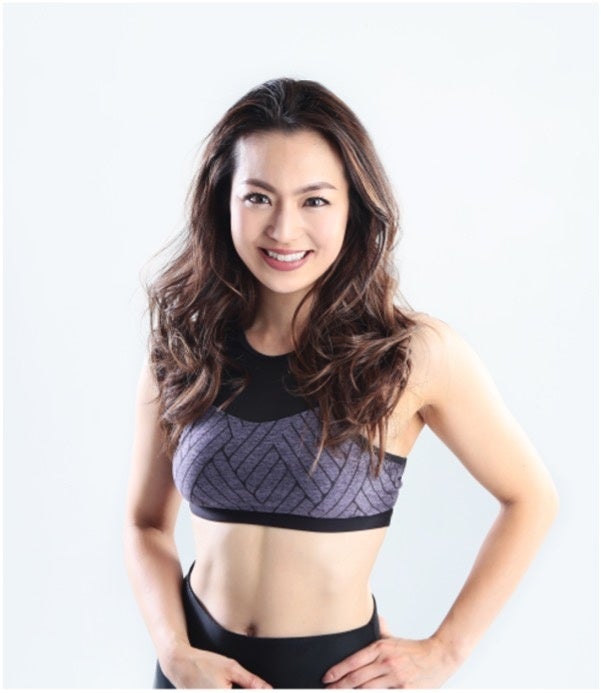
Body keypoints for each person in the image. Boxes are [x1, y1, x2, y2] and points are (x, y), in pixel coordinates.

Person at [124, 77, 558, 689]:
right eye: (258, 197)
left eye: (315, 201)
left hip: (336, 679)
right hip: (196, 676)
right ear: (224, 202)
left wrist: (446, 651)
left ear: (355, 207)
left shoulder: (409, 354)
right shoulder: (183, 351)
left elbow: (531, 498)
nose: (283, 230)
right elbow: (145, 525)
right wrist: (174, 653)